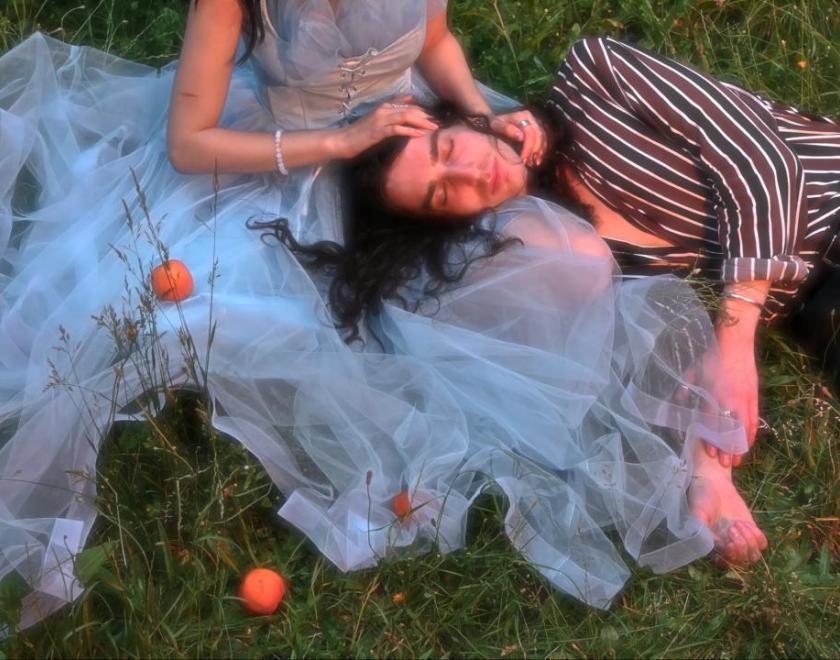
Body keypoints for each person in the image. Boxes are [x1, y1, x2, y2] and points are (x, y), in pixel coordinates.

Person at [0, 5, 764, 631]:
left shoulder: (455, 137)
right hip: (291, 164)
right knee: (260, 320)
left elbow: (434, 40)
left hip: (423, 140)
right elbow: (189, 145)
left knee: (570, 260)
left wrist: (477, 118)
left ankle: (687, 439)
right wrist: (341, 140)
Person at [363, 37, 840, 469]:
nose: (469, 174)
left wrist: (735, 340)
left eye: (448, 149)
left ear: (461, 120)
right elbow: (648, 343)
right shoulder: (551, 252)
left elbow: (762, 159)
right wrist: (707, 471)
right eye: (445, 195)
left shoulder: (592, 75)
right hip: (817, 309)